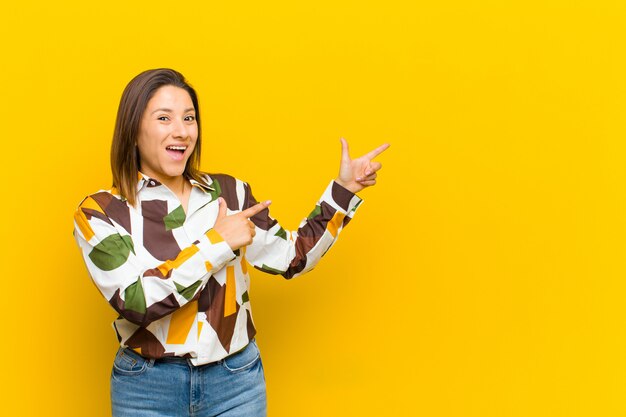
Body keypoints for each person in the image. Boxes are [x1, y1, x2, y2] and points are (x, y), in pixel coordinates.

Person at [73, 68, 389, 417]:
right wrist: (217, 243)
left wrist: (344, 191)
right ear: (133, 130)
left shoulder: (229, 194)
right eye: (164, 118)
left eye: (189, 118)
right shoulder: (100, 213)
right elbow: (137, 303)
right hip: (147, 388)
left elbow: (292, 258)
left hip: (235, 381)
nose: (181, 130)